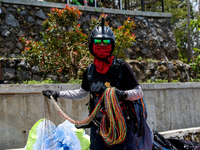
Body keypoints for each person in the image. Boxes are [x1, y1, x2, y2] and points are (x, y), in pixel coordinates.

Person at [42, 17, 153, 150]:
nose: (101, 45)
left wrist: (122, 94)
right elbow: (82, 93)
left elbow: (138, 92)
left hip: (120, 126)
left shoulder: (121, 67)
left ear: (112, 44)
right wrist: (57, 94)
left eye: (106, 41)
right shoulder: (90, 70)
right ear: (91, 45)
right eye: (97, 42)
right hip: (97, 126)